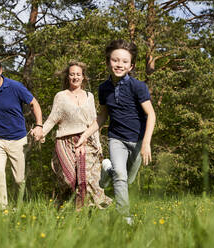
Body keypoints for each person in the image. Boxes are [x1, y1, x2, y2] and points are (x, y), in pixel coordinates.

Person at [76, 40, 156, 223]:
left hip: (137, 140)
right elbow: (103, 116)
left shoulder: (138, 87)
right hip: (117, 139)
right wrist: (85, 135)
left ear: (131, 66)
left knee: (128, 180)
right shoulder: (103, 88)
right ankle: (124, 216)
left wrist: (146, 143)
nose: (119, 64)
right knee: (121, 177)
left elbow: (151, 114)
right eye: (115, 60)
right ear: (108, 62)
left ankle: (107, 170)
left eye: (124, 61)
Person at [38, 61, 112, 209]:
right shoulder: (60, 96)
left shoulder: (89, 96)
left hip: (86, 140)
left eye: (78, 74)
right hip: (65, 141)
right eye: (72, 74)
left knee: (87, 177)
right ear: (68, 77)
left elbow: (93, 121)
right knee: (68, 179)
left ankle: (88, 210)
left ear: (83, 77)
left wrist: (98, 144)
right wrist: (41, 131)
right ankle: (63, 206)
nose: (75, 77)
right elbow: (53, 118)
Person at [0, 56, 43, 209]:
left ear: (0, 71)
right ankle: (3, 210)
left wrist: (39, 125)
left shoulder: (15, 87)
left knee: (20, 179)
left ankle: (20, 207)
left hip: (18, 139)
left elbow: (34, 103)